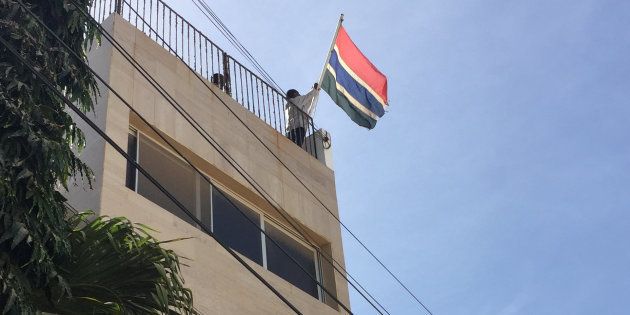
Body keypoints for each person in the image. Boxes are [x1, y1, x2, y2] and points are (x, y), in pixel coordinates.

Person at [285, 83, 319, 147]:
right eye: (299, 94)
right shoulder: (295, 100)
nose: (300, 95)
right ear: (295, 94)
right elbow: (307, 98)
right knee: (297, 147)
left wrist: (315, 91)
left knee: (291, 147)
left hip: (290, 131)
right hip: (298, 129)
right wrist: (314, 90)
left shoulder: (289, 105)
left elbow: (308, 102)